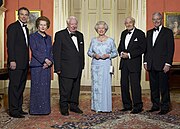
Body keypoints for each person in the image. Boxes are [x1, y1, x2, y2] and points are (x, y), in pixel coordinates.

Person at [53, 16, 85, 116]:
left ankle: (74, 106)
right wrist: (57, 68)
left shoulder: (80, 35)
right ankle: (64, 107)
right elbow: (56, 52)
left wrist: (82, 65)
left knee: (76, 89)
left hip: (78, 67)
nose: (74, 26)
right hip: (65, 68)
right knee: (65, 90)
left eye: (75, 24)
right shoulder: (60, 34)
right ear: (68, 24)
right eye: (72, 24)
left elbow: (81, 51)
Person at [144, 12, 174, 115]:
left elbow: (170, 49)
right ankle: (155, 105)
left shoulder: (168, 32)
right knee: (153, 87)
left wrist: (168, 64)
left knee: (164, 87)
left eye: (158, 19)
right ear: (152, 20)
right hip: (151, 64)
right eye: (154, 19)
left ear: (161, 19)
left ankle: (165, 107)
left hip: (162, 65)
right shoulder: (149, 33)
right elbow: (147, 49)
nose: (156, 21)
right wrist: (145, 61)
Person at [87, 21, 118, 113]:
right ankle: (96, 107)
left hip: (106, 65)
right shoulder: (93, 40)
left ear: (105, 29)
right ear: (97, 29)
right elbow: (89, 52)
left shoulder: (110, 40)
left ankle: (105, 107)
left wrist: (108, 56)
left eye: (103, 28)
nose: (101, 30)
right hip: (95, 65)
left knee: (105, 85)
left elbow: (115, 53)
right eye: (99, 28)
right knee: (96, 86)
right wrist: (93, 55)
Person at [117, 17, 146, 114]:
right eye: (126, 23)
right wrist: (121, 53)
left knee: (135, 85)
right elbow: (120, 46)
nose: (128, 24)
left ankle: (138, 106)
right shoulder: (123, 33)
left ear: (133, 23)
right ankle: (127, 105)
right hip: (124, 64)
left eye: (130, 22)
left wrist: (129, 55)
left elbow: (142, 48)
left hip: (134, 63)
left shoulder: (140, 33)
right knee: (124, 85)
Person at [7, 7, 30, 118]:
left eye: (26, 14)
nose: (24, 16)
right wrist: (12, 60)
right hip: (15, 63)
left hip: (24, 63)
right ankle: (13, 110)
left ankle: (19, 108)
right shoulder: (13, 27)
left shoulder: (26, 29)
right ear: (18, 15)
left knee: (21, 87)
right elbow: (10, 45)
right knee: (14, 87)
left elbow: (24, 47)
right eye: (22, 14)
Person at [29, 16, 53, 115]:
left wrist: (50, 62)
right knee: (36, 88)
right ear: (38, 26)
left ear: (47, 26)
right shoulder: (32, 37)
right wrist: (45, 60)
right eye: (41, 25)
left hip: (47, 67)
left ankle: (45, 110)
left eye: (45, 25)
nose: (43, 27)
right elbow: (35, 51)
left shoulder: (49, 38)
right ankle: (35, 110)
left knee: (45, 89)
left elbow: (51, 51)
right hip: (37, 66)